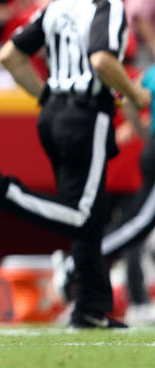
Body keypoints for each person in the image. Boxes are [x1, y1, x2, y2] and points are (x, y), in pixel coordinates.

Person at [0, 0, 152, 329]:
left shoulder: (61, 3)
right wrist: (134, 93)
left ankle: (90, 308)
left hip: (53, 113)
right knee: (83, 217)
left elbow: (12, 54)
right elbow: (101, 60)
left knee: (86, 214)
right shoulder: (109, 5)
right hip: (87, 114)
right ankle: (3, 190)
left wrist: (45, 95)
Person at [52, 60, 155, 325]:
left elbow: (129, 102)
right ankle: (76, 268)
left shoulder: (142, 73)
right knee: (136, 226)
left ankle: (84, 286)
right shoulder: (131, 75)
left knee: (127, 227)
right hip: (120, 169)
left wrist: (143, 131)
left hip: (117, 164)